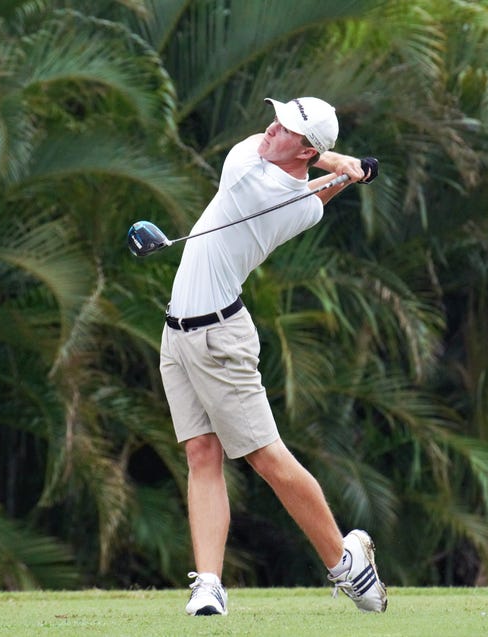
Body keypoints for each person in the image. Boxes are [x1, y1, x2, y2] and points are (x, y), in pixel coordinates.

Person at [159, 96, 388, 616]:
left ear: (304, 148)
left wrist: (342, 167)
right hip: (179, 333)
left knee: (265, 457)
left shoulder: (243, 168)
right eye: (276, 118)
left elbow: (305, 178)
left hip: (219, 340)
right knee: (202, 454)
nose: (269, 128)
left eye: (284, 128)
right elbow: (312, 189)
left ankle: (346, 564)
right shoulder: (299, 202)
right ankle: (210, 585)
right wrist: (346, 169)